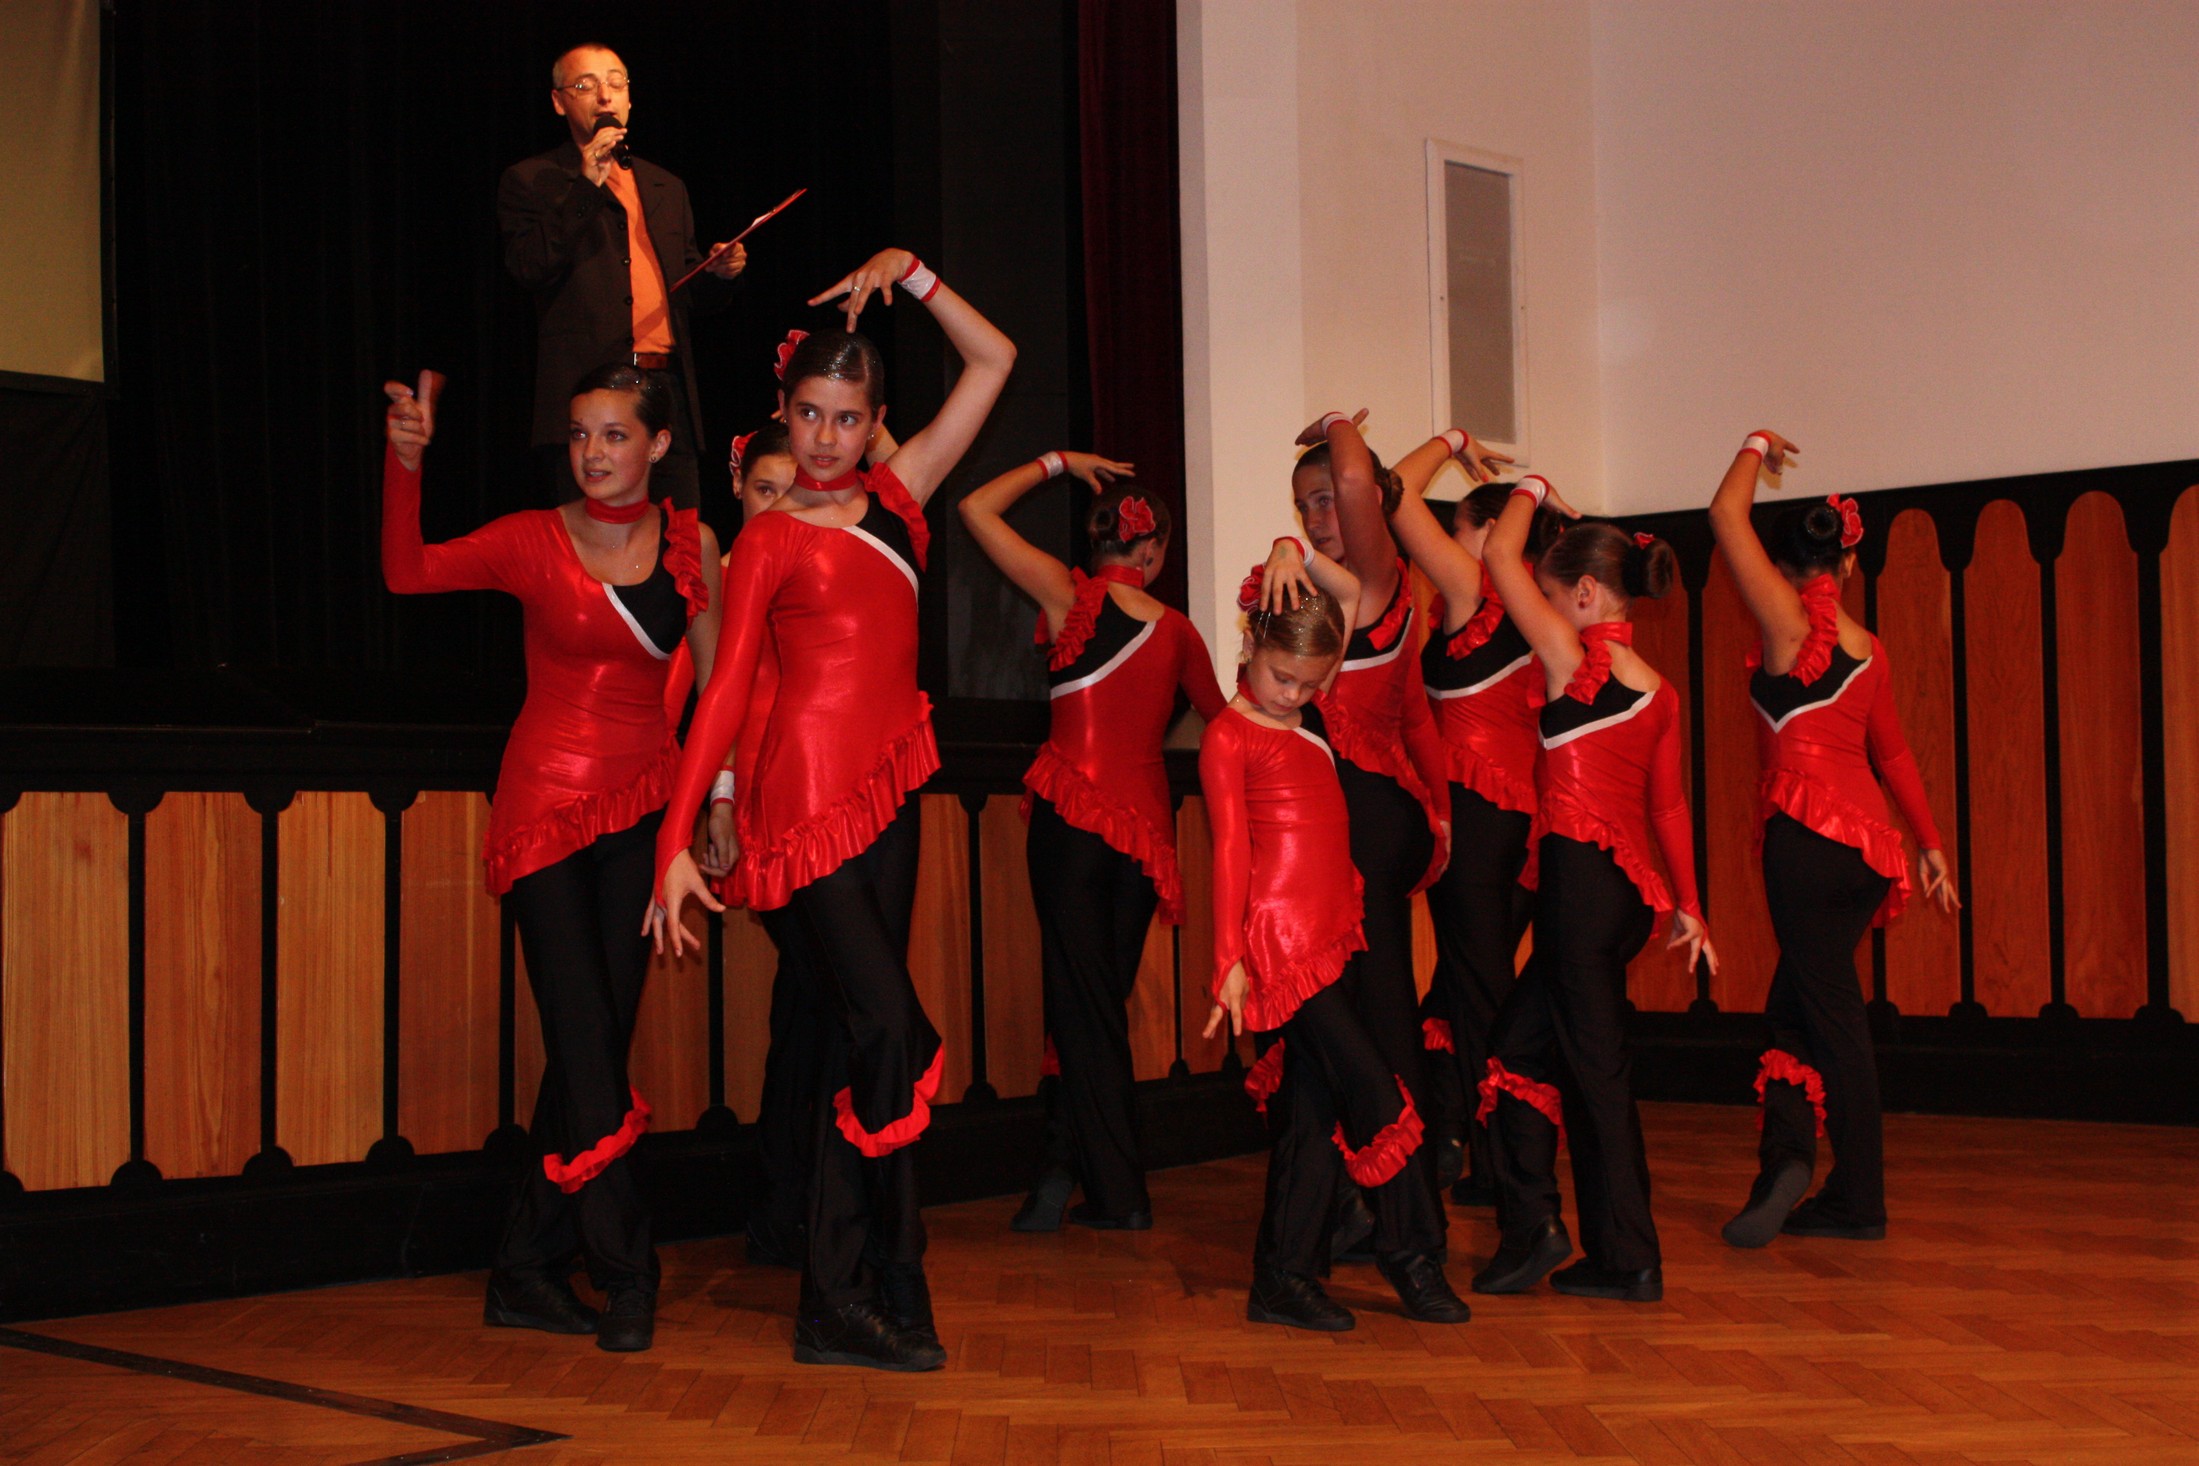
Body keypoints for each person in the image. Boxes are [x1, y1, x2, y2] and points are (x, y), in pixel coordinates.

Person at [651, 248, 1015, 1372]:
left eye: (846, 418)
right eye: (808, 414)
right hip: (800, 808)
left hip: (890, 793)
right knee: (891, 1028)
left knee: (870, 1038)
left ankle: (886, 1276)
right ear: (785, 409)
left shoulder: (900, 502)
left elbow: (995, 358)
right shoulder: (768, 536)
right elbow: (726, 692)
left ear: (874, 422)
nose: (822, 438)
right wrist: (675, 841)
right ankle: (843, 1289)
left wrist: (914, 274)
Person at [381, 362, 724, 1354]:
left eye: (614, 434)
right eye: (579, 434)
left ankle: (525, 1266)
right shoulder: (532, 538)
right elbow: (408, 572)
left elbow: (721, 688)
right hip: (544, 812)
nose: (593, 452)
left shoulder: (693, 543)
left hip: (644, 810)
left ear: (658, 444)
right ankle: (628, 1270)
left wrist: (714, 805)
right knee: (584, 1040)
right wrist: (406, 466)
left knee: (593, 1045)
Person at [958, 452, 1228, 1232]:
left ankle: (1105, 1187)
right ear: (1154, 551)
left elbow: (975, 509)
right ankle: (1074, 1172)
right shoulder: (1178, 632)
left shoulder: (1066, 595)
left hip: (1070, 820)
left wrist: (1055, 462)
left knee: (1080, 1006)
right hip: (1143, 837)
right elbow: (1224, 724)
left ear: (1100, 541)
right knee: (1097, 1004)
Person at [1204, 552, 1471, 1332]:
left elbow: (1349, 591)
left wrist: (1294, 554)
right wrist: (1227, 961)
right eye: (1280, 676)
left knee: (1312, 1110)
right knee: (1376, 1092)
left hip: (1337, 935)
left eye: (1308, 682)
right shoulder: (1229, 735)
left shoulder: (1313, 716)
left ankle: (1281, 1277)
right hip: (1282, 947)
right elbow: (1229, 851)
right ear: (1250, 645)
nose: (1292, 693)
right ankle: (1410, 1256)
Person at [1707, 431, 1957, 1248]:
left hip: (1806, 847)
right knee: (1795, 1011)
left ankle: (1855, 1197)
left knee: (1832, 1022)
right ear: (1847, 563)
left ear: (1781, 570)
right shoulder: (1866, 647)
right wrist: (1929, 844)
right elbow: (1894, 755)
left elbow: (1723, 515)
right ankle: (1784, 1160)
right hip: (1866, 853)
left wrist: (1753, 446)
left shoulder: (1786, 628)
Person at [1472, 480, 1714, 1305]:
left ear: (1581, 594)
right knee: (1519, 1049)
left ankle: (1623, 1256)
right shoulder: (1659, 689)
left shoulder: (1572, 662)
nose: (1537, 610)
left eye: (1546, 597)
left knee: (1594, 1075)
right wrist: (1689, 905)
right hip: (1623, 896)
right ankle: (1537, 1227)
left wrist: (1531, 488)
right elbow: (1667, 808)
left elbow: (1496, 551)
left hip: (1578, 893)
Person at [1264, 411, 1453, 1248]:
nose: (1317, 517)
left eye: (1328, 502)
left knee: (1375, 1019)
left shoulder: (1377, 580)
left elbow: (1355, 478)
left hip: (1366, 822)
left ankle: (1403, 1219)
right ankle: (1349, 1204)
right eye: (1302, 507)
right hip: (1327, 827)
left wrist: (1341, 423)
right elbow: (1412, 715)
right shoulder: (1323, 588)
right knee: (1335, 1023)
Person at [1386, 435, 1556, 1206]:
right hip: (1523, 820)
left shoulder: (1478, 592)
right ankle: (1456, 1134)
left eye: (1457, 526)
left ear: (1492, 532)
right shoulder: (1537, 608)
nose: (1449, 541)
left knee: (1478, 990)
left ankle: (1505, 1172)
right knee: (1462, 985)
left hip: (1475, 815)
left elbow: (1391, 493)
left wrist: (1452, 442)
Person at [498, 43, 746, 509]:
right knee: (593, 536)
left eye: (615, 83)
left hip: (665, 386)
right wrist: (586, 184)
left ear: (629, 98)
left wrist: (717, 273)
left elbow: (689, 295)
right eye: (586, 85)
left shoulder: (665, 185)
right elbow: (530, 267)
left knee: (679, 531)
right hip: (590, 391)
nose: (604, 96)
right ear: (559, 101)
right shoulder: (532, 179)